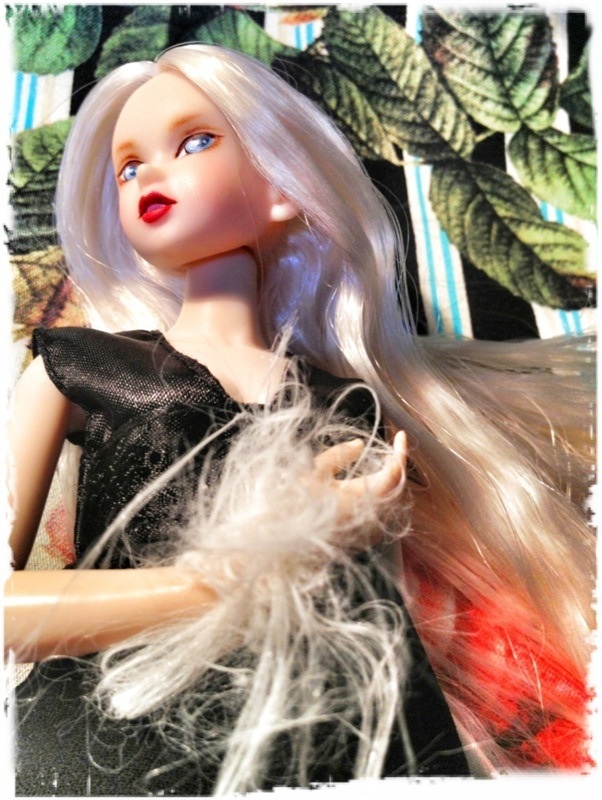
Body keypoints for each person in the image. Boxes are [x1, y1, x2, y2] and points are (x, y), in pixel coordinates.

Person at [5, 44, 595, 793]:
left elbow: (381, 637)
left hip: (324, 743)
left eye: (195, 142)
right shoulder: (81, 366)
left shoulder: (343, 408)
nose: (149, 175)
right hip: (114, 745)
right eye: (128, 168)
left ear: (282, 187)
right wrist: (227, 581)